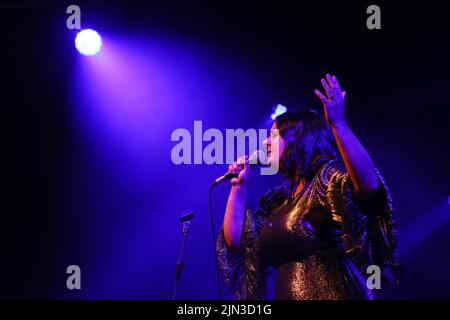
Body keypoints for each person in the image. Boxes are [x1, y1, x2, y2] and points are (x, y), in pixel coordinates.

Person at [216, 74, 401, 300]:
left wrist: (338, 124)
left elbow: (368, 185)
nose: (265, 142)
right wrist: (238, 188)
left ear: (297, 140)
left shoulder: (325, 181)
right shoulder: (280, 202)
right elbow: (237, 242)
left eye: (273, 136)